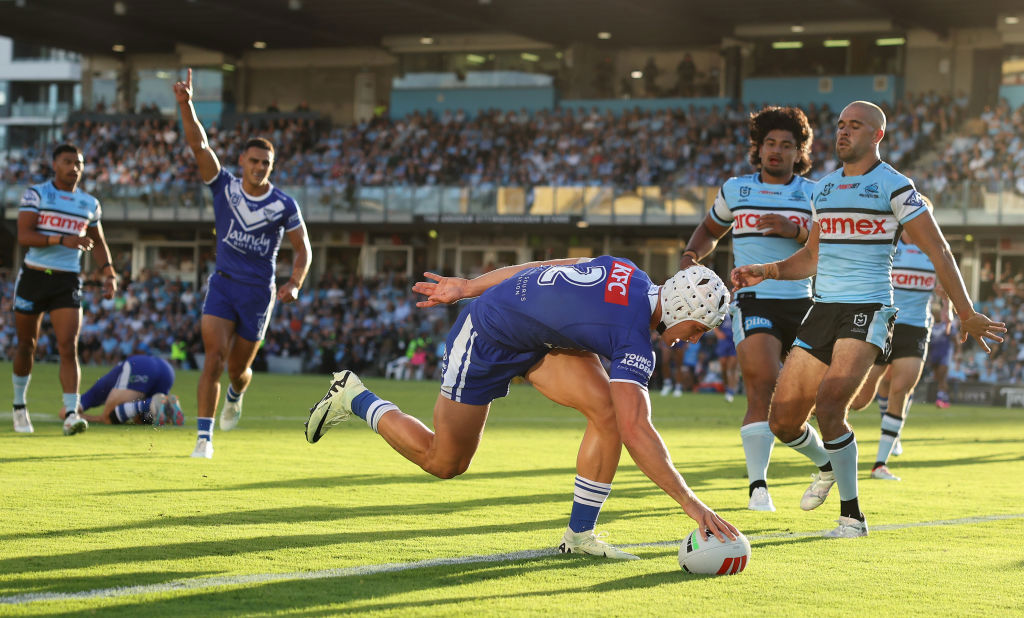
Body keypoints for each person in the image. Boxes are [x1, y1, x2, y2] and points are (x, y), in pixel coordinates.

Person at [305, 257, 739, 558]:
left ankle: (579, 535)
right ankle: (354, 396)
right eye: (700, 328)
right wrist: (692, 505)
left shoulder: (630, 271)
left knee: (606, 412)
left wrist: (470, 283)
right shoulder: (632, 338)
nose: (695, 338)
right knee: (445, 461)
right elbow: (639, 431)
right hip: (487, 336)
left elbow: (549, 266)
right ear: (683, 307)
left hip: (539, 340)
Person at [732, 100, 1005, 538]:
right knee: (782, 422)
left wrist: (967, 311)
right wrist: (767, 271)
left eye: (855, 126)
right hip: (822, 310)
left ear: (877, 135)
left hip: (869, 310)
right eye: (840, 125)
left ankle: (852, 516)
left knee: (831, 406)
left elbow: (939, 250)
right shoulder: (823, 190)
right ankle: (826, 464)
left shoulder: (895, 186)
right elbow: (810, 257)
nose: (843, 132)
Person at [680, 105, 815, 513]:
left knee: (807, 403)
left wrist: (795, 230)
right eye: (770, 143)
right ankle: (758, 487)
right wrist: (691, 255)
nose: (776, 150)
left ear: (799, 152)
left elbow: (829, 247)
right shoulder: (736, 189)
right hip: (754, 300)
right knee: (761, 386)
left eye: (786, 145)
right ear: (758, 148)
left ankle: (826, 462)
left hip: (805, 303)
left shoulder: (814, 194)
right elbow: (710, 229)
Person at [174, 68, 311, 459]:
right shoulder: (224, 186)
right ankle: (204, 437)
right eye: (254, 160)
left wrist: (295, 282)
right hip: (223, 283)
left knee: (237, 370)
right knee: (212, 359)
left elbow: (304, 249)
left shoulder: (284, 204)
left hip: (257, 293)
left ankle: (236, 394)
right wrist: (186, 105)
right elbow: (199, 145)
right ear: (242, 160)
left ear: (271, 166)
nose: (259, 167)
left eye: (265, 163)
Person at [11, 143, 118, 436]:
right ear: (54, 164)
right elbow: (24, 236)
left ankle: (71, 413)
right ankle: (19, 406)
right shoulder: (37, 194)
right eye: (68, 161)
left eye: (79, 163)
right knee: (26, 346)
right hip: (34, 277)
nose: (74, 168)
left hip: (66, 280)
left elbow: (98, 242)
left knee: (68, 346)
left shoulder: (89, 203)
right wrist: (63, 239)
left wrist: (108, 273)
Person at [850, 200, 952, 481]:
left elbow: (946, 287)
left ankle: (880, 464)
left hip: (917, 327)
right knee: (860, 397)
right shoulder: (888, 246)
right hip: (884, 324)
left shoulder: (935, 251)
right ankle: (829, 430)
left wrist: (948, 309)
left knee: (901, 387)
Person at [60, 355, 183, 426]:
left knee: (108, 417)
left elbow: (64, 412)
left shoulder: (97, 391)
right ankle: (166, 406)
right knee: (141, 419)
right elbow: (137, 420)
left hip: (139, 367)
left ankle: (150, 404)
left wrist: (82, 417)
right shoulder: (110, 383)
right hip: (166, 369)